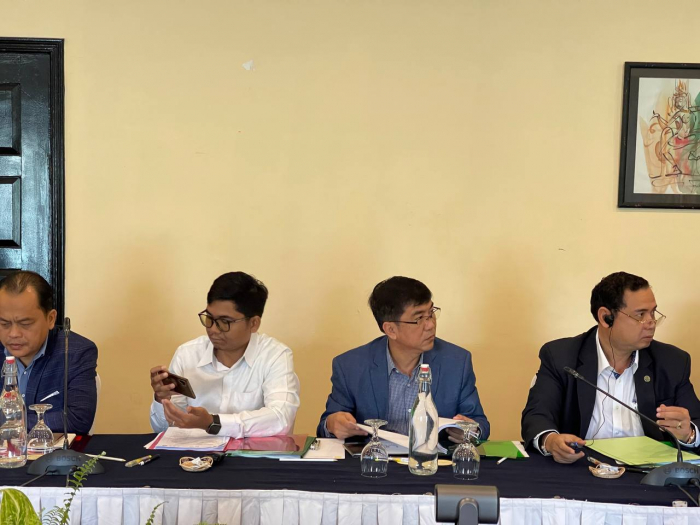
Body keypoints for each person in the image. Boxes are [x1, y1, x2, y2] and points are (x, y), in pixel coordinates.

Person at [521, 271, 700, 464]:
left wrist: (689, 433)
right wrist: (551, 441)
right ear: (606, 317)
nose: (651, 323)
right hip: (581, 467)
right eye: (640, 314)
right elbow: (537, 416)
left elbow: (696, 421)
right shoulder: (561, 357)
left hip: (648, 471)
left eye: (653, 313)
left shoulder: (672, 361)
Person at [317, 276, 490, 441]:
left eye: (431, 313)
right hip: (375, 458)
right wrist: (333, 425)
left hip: (433, 460)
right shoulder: (350, 366)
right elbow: (327, 425)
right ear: (391, 330)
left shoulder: (456, 362)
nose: (430, 325)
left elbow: (480, 424)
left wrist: (471, 431)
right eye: (419, 318)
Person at [150, 272, 300, 437]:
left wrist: (213, 423)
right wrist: (161, 399)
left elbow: (280, 418)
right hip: (196, 452)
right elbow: (164, 430)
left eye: (225, 322)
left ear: (253, 323)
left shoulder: (275, 356)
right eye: (209, 318)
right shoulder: (187, 354)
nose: (213, 329)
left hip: (252, 453)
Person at [0, 271, 98, 434]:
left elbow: (77, 420)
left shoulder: (75, 352)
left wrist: (9, 422)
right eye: (4, 324)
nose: (14, 334)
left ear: (51, 318)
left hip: (48, 449)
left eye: (25, 323)